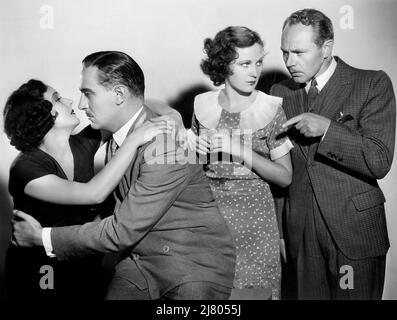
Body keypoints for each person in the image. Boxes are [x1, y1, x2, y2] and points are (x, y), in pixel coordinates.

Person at [12, 51, 236, 300]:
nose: (80, 104)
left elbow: (120, 231)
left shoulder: (162, 147)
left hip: (189, 265)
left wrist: (42, 237)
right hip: (132, 262)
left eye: (88, 93)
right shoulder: (104, 133)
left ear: (119, 95)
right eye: (61, 99)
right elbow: (95, 194)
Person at [3, 78, 178, 299]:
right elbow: (93, 194)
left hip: (82, 260)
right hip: (39, 268)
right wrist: (134, 140)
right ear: (41, 116)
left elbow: (131, 108)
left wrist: (173, 116)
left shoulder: (82, 143)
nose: (69, 101)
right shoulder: (26, 168)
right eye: (57, 99)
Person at [270, 9, 396, 299]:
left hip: (354, 234)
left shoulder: (372, 84)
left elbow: (379, 160)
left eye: (299, 52)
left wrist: (328, 129)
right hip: (300, 234)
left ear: (326, 48)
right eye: (285, 52)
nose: (289, 62)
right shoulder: (279, 91)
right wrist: (279, 231)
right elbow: (279, 169)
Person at [187, 26, 293, 300]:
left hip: (255, 223)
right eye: (245, 63)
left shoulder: (272, 109)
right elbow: (194, 171)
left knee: (251, 295)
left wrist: (243, 151)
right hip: (208, 220)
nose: (254, 72)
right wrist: (188, 148)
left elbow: (285, 177)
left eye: (258, 62)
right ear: (223, 65)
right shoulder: (201, 106)